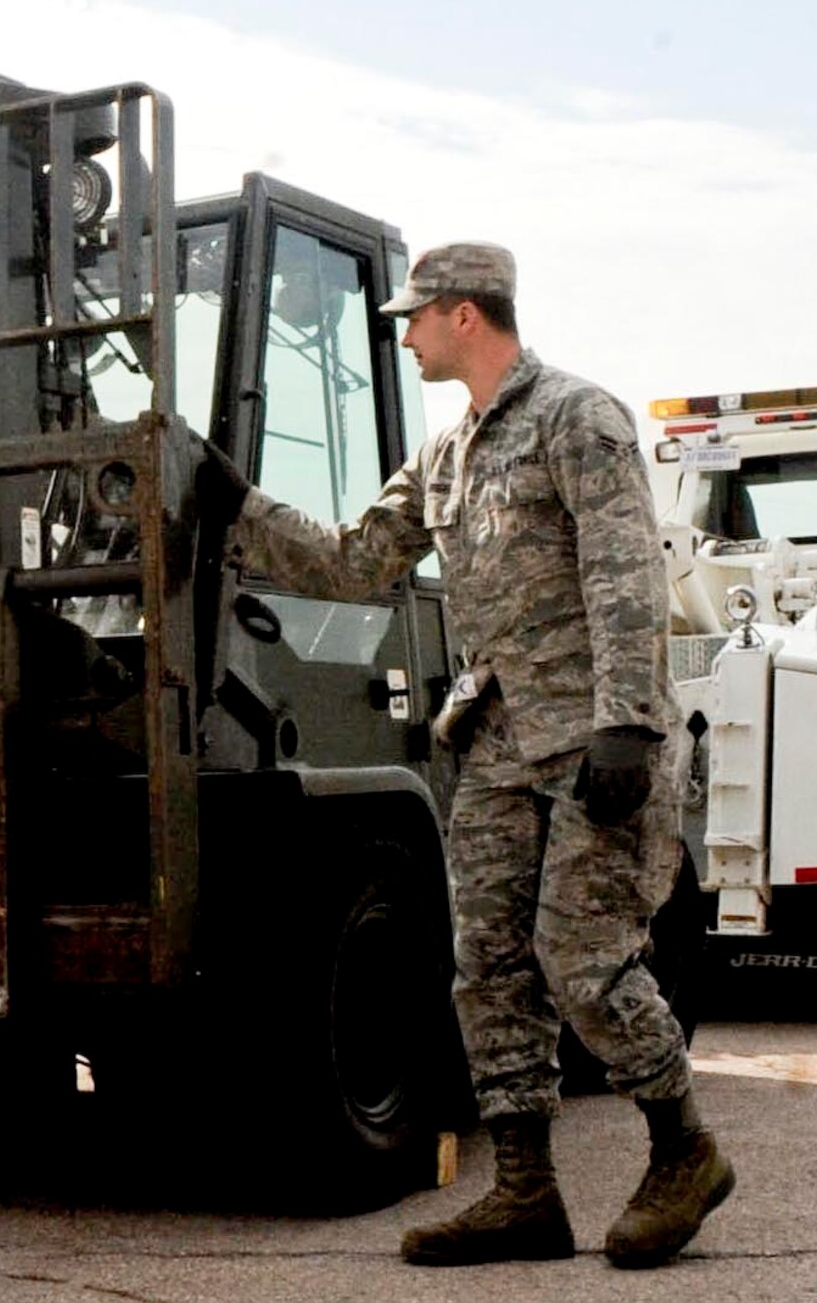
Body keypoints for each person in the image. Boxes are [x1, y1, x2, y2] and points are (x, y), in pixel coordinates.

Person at [193, 243, 734, 1269]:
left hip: (589, 738)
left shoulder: (578, 418)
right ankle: (523, 1193)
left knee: (581, 963)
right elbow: (354, 559)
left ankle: (682, 1151)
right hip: (495, 745)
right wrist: (235, 502)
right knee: (482, 965)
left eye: (414, 319)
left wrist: (627, 724)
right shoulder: (445, 457)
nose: (402, 336)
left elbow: (621, 573)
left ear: (464, 317)